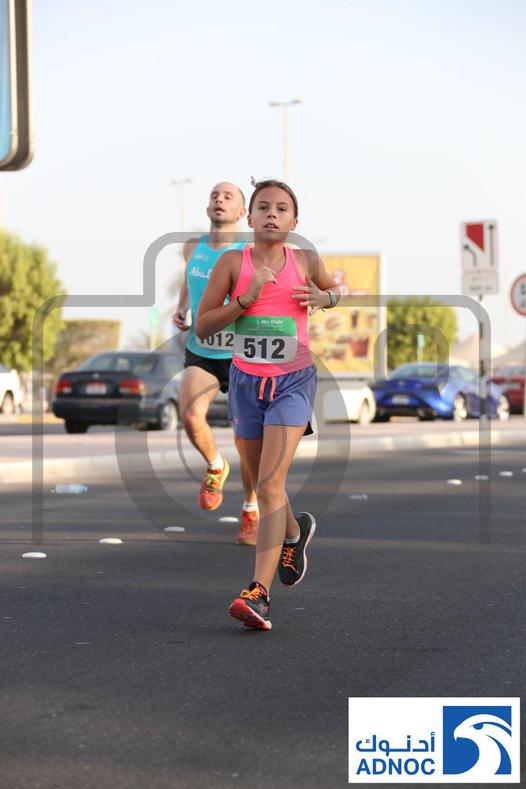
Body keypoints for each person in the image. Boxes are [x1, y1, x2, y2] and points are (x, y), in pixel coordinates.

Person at [196, 179, 339, 630]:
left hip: (293, 382)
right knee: (262, 481)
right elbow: (203, 326)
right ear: (250, 217)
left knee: (270, 484)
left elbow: (335, 291)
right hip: (245, 382)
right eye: (263, 207)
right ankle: (295, 532)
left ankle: (258, 593)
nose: (271, 214)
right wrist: (245, 299)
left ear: (294, 221)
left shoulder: (305, 259)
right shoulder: (231, 263)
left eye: (281, 208)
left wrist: (324, 298)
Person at [172, 182, 259, 545]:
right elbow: (190, 279)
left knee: (245, 439)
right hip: (204, 349)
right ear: (208, 209)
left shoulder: (249, 252)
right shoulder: (192, 247)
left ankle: (251, 509)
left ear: (242, 213)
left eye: (228, 197)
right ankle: (215, 466)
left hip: (241, 354)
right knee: (190, 415)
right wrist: (182, 308)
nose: (219, 199)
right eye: (214, 196)